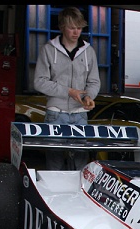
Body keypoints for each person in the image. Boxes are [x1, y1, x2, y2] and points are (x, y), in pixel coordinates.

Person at [34, 7, 100, 170]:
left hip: (80, 115)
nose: (76, 32)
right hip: (55, 113)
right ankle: (54, 195)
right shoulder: (48, 50)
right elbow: (39, 82)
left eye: (79, 28)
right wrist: (68, 91)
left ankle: (79, 194)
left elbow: (94, 81)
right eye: (72, 27)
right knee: (54, 161)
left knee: (80, 162)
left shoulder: (89, 52)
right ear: (62, 27)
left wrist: (88, 97)